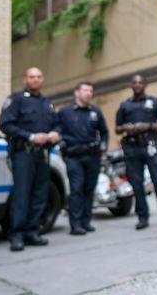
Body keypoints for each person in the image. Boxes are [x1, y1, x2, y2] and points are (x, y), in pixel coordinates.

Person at [0, 67, 60, 252]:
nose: (35, 80)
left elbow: (57, 123)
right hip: (23, 153)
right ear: (25, 79)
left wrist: (56, 133)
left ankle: (32, 231)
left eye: (39, 77)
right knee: (22, 195)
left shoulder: (46, 103)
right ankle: (16, 234)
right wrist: (31, 137)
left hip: (42, 155)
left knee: (40, 194)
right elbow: (6, 125)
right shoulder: (16, 100)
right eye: (32, 77)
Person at [115, 74, 157, 230]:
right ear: (131, 85)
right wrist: (125, 128)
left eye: (140, 82)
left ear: (145, 84)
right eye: (134, 82)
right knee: (137, 184)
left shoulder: (153, 103)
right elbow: (117, 128)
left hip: (150, 145)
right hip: (132, 148)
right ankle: (142, 217)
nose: (137, 84)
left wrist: (148, 126)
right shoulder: (124, 105)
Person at [57, 81, 109, 235]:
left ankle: (86, 221)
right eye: (86, 90)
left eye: (91, 91)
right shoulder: (65, 112)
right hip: (73, 157)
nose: (89, 93)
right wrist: (61, 145)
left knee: (89, 189)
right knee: (76, 189)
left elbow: (104, 132)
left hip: (92, 156)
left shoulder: (95, 112)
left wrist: (103, 146)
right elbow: (56, 129)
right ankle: (76, 224)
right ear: (76, 93)